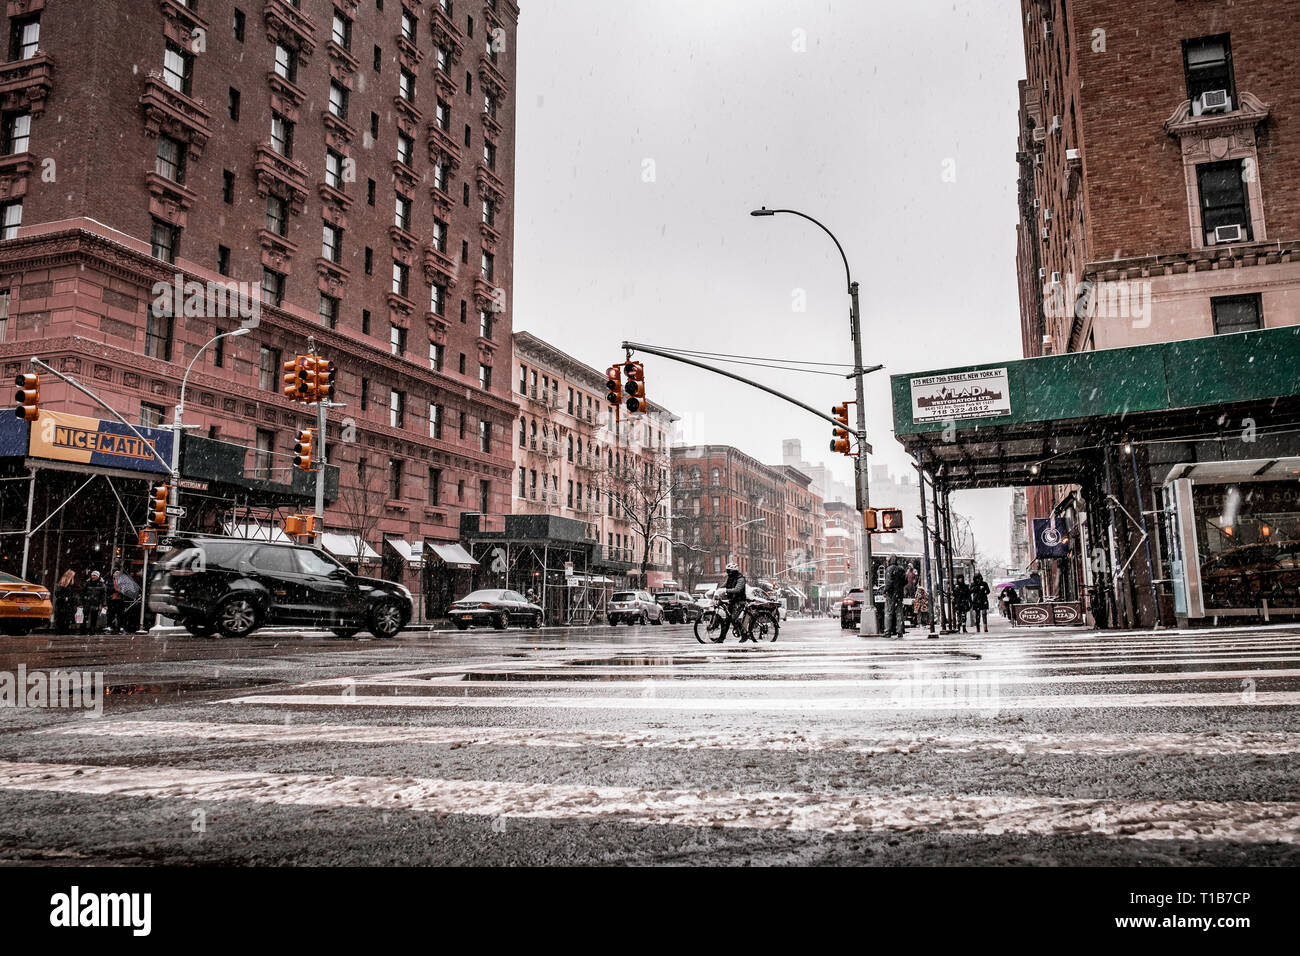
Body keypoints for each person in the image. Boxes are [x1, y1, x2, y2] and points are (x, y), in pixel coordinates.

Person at [718, 560, 748, 641]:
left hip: (740, 601)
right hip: (732, 600)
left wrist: (726, 591)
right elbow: (724, 586)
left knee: (734, 618)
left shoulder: (740, 579)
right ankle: (721, 638)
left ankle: (744, 635)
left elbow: (737, 589)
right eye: (727, 571)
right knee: (727, 620)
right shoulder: (730, 578)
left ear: (733, 571)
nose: (728, 573)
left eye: (729, 571)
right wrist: (717, 590)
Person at [882, 556, 907, 639]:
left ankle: (887, 632)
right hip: (899, 595)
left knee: (888, 613)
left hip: (891, 594)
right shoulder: (901, 569)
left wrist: (885, 591)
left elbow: (889, 582)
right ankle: (899, 631)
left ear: (889, 561)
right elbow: (905, 581)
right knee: (899, 613)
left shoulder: (889, 569)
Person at [81, 570, 106, 635]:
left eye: (94, 575)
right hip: (87, 602)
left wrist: (104, 604)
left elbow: (103, 595)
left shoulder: (102, 584)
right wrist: (81, 601)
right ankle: (83, 631)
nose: (93, 576)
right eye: (92, 575)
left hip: (96, 603)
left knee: (94, 618)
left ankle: (92, 631)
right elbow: (83, 592)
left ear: (98, 576)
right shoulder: (88, 583)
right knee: (85, 618)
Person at [54, 569, 78, 634]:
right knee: (62, 619)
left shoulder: (70, 584)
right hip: (64, 605)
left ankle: (63, 631)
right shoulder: (63, 584)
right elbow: (57, 593)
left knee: (66, 620)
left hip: (68, 605)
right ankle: (62, 631)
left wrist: (73, 599)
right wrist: (64, 598)